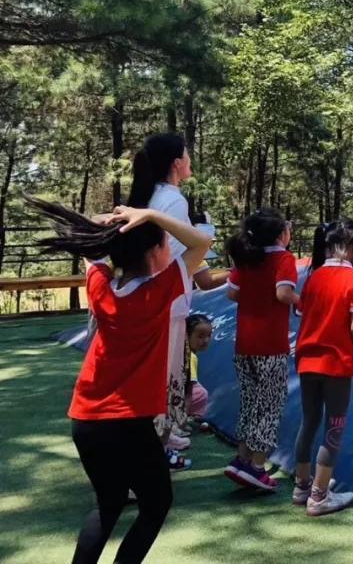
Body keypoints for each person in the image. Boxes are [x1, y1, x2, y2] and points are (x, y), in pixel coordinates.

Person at [25, 194, 212, 564]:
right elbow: (201, 242)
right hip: (128, 422)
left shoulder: (101, 287)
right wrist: (149, 214)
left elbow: (94, 253)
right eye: (164, 244)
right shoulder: (159, 291)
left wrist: (113, 225)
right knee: (156, 504)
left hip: (86, 420)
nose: (169, 250)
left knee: (108, 504)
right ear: (154, 253)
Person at [127, 133, 225, 466]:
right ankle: (155, 454)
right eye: (187, 153)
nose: (190, 159)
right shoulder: (173, 200)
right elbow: (179, 260)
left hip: (151, 301)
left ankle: (160, 443)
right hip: (166, 303)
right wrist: (205, 238)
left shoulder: (153, 196)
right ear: (176, 163)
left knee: (156, 380)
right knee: (162, 382)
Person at [291, 218, 353, 517]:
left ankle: (302, 486)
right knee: (334, 426)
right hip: (335, 364)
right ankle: (319, 495)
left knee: (309, 421)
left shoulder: (313, 278)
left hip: (307, 360)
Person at [223, 209, 298, 491]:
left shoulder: (247, 257)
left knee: (250, 402)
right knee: (269, 405)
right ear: (280, 234)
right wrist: (304, 302)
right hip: (270, 344)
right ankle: (257, 466)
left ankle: (242, 459)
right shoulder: (283, 258)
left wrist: (253, 296)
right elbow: (283, 293)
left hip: (245, 342)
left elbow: (232, 292)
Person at [184, 313, 212, 425]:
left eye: (209, 335)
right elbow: (188, 392)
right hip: (178, 404)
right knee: (201, 393)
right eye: (200, 336)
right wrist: (181, 419)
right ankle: (191, 419)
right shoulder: (191, 357)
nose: (206, 340)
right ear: (187, 335)